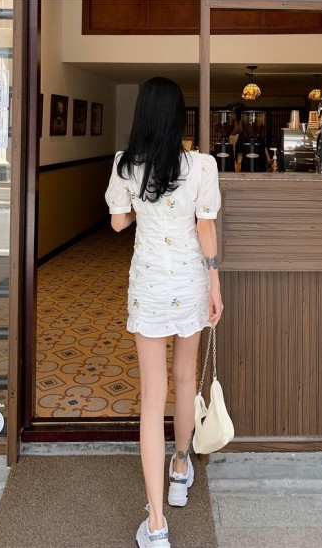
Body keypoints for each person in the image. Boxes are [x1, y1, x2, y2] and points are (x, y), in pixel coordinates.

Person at [105, 77, 224, 548]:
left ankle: (155, 524)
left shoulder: (125, 165)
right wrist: (215, 284)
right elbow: (206, 231)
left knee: (151, 398)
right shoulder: (201, 166)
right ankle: (180, 467)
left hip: (148, 287)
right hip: (190, 283)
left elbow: (117, 222)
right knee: (184, 378)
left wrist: (140, 208)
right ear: (180, 118)